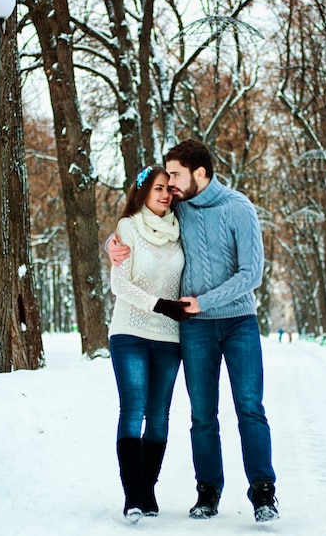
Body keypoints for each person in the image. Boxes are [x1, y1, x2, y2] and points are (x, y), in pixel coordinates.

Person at [108, 140, 279, 524]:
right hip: (195, 329)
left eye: (176, 174)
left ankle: (264, 493)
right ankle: (208, 492)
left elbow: (251, 274)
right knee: (202, 414)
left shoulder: (239, 207)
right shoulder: (178, 208)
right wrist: (112, 244)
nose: (170, 183)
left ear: (199, 173)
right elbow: (140, 223)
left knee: (250, 408)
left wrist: (205, 301)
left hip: (238, 323)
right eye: (167, 176)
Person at [108, 165, 190, 524]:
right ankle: (133, 495)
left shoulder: (179, 230)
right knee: (133, 409)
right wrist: (161, 306)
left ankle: (148, 488)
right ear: (143, 192)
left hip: (169, 338)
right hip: (130, 331)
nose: (164, 194)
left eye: (168, 189)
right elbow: (119, 285)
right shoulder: (127, 228)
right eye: (158, 188)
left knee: (158, 416)